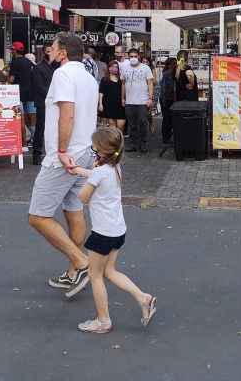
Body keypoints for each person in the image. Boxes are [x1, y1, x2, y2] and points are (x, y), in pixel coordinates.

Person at [28, 32, 98, 297]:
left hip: (67, 154)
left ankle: (81, 263)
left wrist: (60, 150)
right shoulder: (89, 77)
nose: (49, 50)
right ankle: (73, 272)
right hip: (86, 150)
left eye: (53, 47)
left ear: (64, 52)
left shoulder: (63, 74)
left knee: (38, 216)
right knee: (74, 210)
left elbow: (66, 113)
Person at [68, 127, 157, 333]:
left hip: (102, 234)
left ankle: (103, 320)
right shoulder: (115, 168)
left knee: (95, 275)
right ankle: (144, 298)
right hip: (118, 231)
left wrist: (83, 177)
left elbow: (83, 197)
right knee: (110, 271)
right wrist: (82, 171)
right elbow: (98, 176)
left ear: (100, 151)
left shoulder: (99, 173)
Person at [121, 48, 154, 154]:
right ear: (128, 57)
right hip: (130, 102)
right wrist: (123, 98)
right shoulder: (124, 68)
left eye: (135, 56)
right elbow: (123, 84)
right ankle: (133, 144)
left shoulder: (145, 68)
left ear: (139, 56)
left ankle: (143, 143)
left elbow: (150, 83)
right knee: (132, 124)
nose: (133, 58)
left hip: (142, 101)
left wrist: (150, 98)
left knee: (143, 122)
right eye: (131, 56)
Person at [31, 43, 57, 165]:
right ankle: (36, 154)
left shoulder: (57, 67)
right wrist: (54, 95)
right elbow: (39, 87)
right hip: (43, 103)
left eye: (52, 51)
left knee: (54, 129)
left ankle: (51, 153)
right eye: (48, 51)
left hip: (55, 102)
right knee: (41, 128)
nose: (50, 53)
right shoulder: (38, 68)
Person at [9, 41, 35, 149]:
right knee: (32, 118)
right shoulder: (29, 62)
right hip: (30, 93)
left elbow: (11, 79)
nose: (11, 52)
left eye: (12, 50)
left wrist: (4, 76)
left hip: (18, 94)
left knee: (21, 119)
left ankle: (24, 142)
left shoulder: (14, 63)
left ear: (15, 51)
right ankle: (34, 139)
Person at [99, 60, 126, 133]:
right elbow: (101, 92)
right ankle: (115, 142)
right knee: (112, 127)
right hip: (109, 105)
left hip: (120, 105)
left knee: (121, 125)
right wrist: (100, 104)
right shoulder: (104, 79)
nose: (114, 68)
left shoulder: (121, 79)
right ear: (109, 68)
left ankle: (120, 140)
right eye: (112, 67)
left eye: (116, 67)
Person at [159, 58, 178, 145]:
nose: (176, 65)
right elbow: (164, 89)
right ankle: (166, 138)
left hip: (168, 99)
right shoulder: (167, 74)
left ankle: (167, 137)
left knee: (168, 119)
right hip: (167, 100)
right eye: (174, 64)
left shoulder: (169, 73)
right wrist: (164, 101)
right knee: (167, 119)